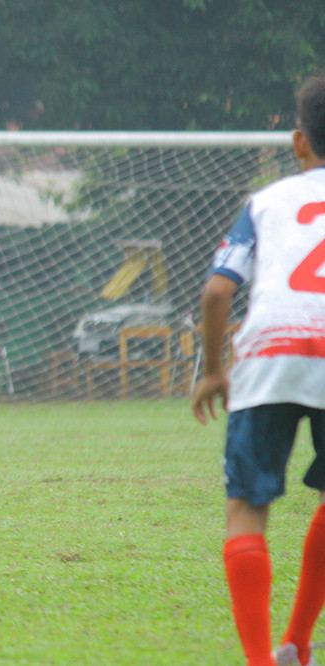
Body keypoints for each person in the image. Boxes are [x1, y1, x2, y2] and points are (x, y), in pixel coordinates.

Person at [192, 74, 325, 666]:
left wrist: (212, 370)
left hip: (269, 357)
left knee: (247, 509)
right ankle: (297, 643)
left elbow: (218, 293)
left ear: (300, 143)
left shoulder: (265, 203)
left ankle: (257, 660)